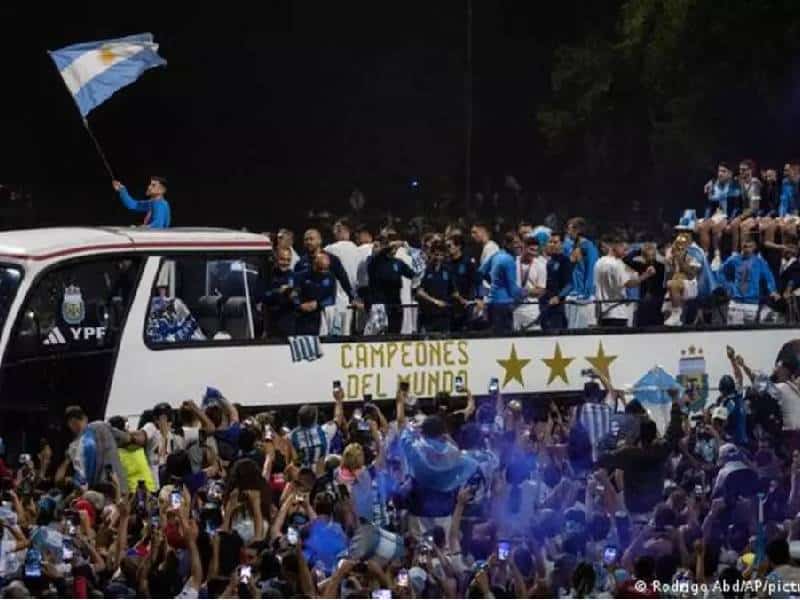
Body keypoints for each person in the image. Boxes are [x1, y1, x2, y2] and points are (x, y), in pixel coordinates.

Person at [295, 228, 359, 335]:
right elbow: (296, 287)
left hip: (327, 308)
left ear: (319, 240)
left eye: (311, 239)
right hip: (308, 311)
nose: (308, 242)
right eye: (306, 240)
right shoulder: (300, 263)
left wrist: (352, 297)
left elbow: (344, 279)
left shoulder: (332, 259)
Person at [478, 232, 537, 334]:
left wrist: (493, 283)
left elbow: (480, 272)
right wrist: (528, 292)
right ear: (507, 244)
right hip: (504, 305)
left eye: (520, 242)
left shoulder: (496, 254)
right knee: (504, 339)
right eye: (515, 243)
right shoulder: (509, 260)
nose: (519, 245)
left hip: (492, 303)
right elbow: (513, 290)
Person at [64, 405, 132, 493]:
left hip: (98, 493)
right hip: (119, 486)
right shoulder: (101, 425)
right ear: (85, 418)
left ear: (70, 425)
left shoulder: (74, 447)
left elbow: (82, 479)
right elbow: (127, 438)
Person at [594, 235, 656, 328]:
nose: (625, 253)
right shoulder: (617, 264)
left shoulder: (598, 262)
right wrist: (646, 275)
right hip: (617, 312)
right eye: (624, 249)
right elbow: (629, 284)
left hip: (601, 312)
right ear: (615, 246)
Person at [365, 229, 417, 335]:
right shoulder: (374, 261)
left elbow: (414, 274)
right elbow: (381, 253)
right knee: (377, 334)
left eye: (395, 248)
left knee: (395, 333)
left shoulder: (398, 263)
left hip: (395, 303)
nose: (394, 249)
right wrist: (391, 245)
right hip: (379, 304)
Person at [720, 237, 779, 325]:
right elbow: (721, 272)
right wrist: (728, 286)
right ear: (741, 247)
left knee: (750, 334)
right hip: (736, 302)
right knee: (733, 333)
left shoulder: (760, 262)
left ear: (754, 247)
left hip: (752, 303)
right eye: (745, 247)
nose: (747, 249)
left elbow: (769, 278)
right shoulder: (733, 260)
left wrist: (772, 290)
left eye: (750, 247)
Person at [697, 162, 741, 263]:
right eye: (719, 171)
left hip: (728, 215)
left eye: (723, 171)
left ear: (730, 174)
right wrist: (706, 218)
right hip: (717, 214)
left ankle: (717, 256)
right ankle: (705, 255)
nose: (720, 174)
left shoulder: (735, 185)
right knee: (703, 227)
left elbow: (736, 207)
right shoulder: (713, 184)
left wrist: (730, 221)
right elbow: (709, 205)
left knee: (717, 226)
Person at [325, 219, 361, 335]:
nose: (334, 233)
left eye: (335, 230)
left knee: (337, 333)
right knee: (353, 332)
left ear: (340, 230)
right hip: (356, 297)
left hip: (338, 297)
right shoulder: (358, 250)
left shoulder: (331, 249)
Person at [563, 217, 599, 329]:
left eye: (569, 229)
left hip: (584, 297)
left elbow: (591, 271)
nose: (567, 232)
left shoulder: (589, 247)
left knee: (586, 332)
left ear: (577, 230)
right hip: (573, 296)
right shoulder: (572, 246)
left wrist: (586, 294)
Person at [416, 240, 456, 332]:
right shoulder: (426, 270)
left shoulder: (448, 270)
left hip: (444, 314)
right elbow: (419, 291)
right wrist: (434, 301)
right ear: (432, 254)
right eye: (436, 254)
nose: (438, 257)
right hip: (428, 314)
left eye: (441, 255)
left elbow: (453, 291)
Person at [623, 241, 666, 326]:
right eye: (646, 255)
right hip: (643, 302)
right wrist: (639, 250)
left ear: (655, 255)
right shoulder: (640, 265)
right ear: (643, 256)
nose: (649, 258)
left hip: (657, 303)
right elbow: (625, 260)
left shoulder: (662, 266)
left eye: (652, 255)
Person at [512, 234, 547, 331]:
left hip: (531, 310)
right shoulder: (512, 263)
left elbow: (541, 290)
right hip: (514, 309)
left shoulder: (540, 266)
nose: (533, 253)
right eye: (531, 250)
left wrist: (526, 291)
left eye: (536, 250)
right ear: (523, 247)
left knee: (534, 343)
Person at [447, 233, 480, 331]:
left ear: (458, 246)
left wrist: (479, 298)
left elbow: (478, 281)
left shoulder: (468, 262)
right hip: (451, 306)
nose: (448, 248)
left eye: (450, 246)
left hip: (466, 304)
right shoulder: (446, 263)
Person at [263, 247, 299, 337]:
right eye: (282, 259)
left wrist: (294, 297)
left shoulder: (295, 277)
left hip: (288, 325)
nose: (285, 263)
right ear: (276, 258)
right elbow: (261, 296)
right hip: (271, 324)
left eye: (288, 260)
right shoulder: (267, 275)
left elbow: (299, 300)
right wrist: (279, 292)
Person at [540, 233, 573, 330]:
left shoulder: (564, 261)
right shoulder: (548, 261)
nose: (552, 244)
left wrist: (558, 297)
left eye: (555, 242)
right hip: (544, 304)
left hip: (557, 306)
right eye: (550, 242)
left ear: (561, 244)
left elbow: (570, 284)